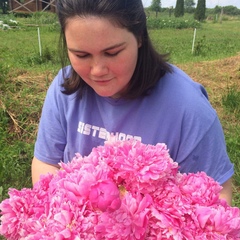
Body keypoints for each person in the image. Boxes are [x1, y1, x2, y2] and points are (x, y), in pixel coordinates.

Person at [32, 0, 234, 205]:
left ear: (139, 37)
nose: (97, 70)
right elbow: (46, 162)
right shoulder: (63, 89)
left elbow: (215, 196)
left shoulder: (189, 108)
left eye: (112, 53)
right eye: (81, 55)